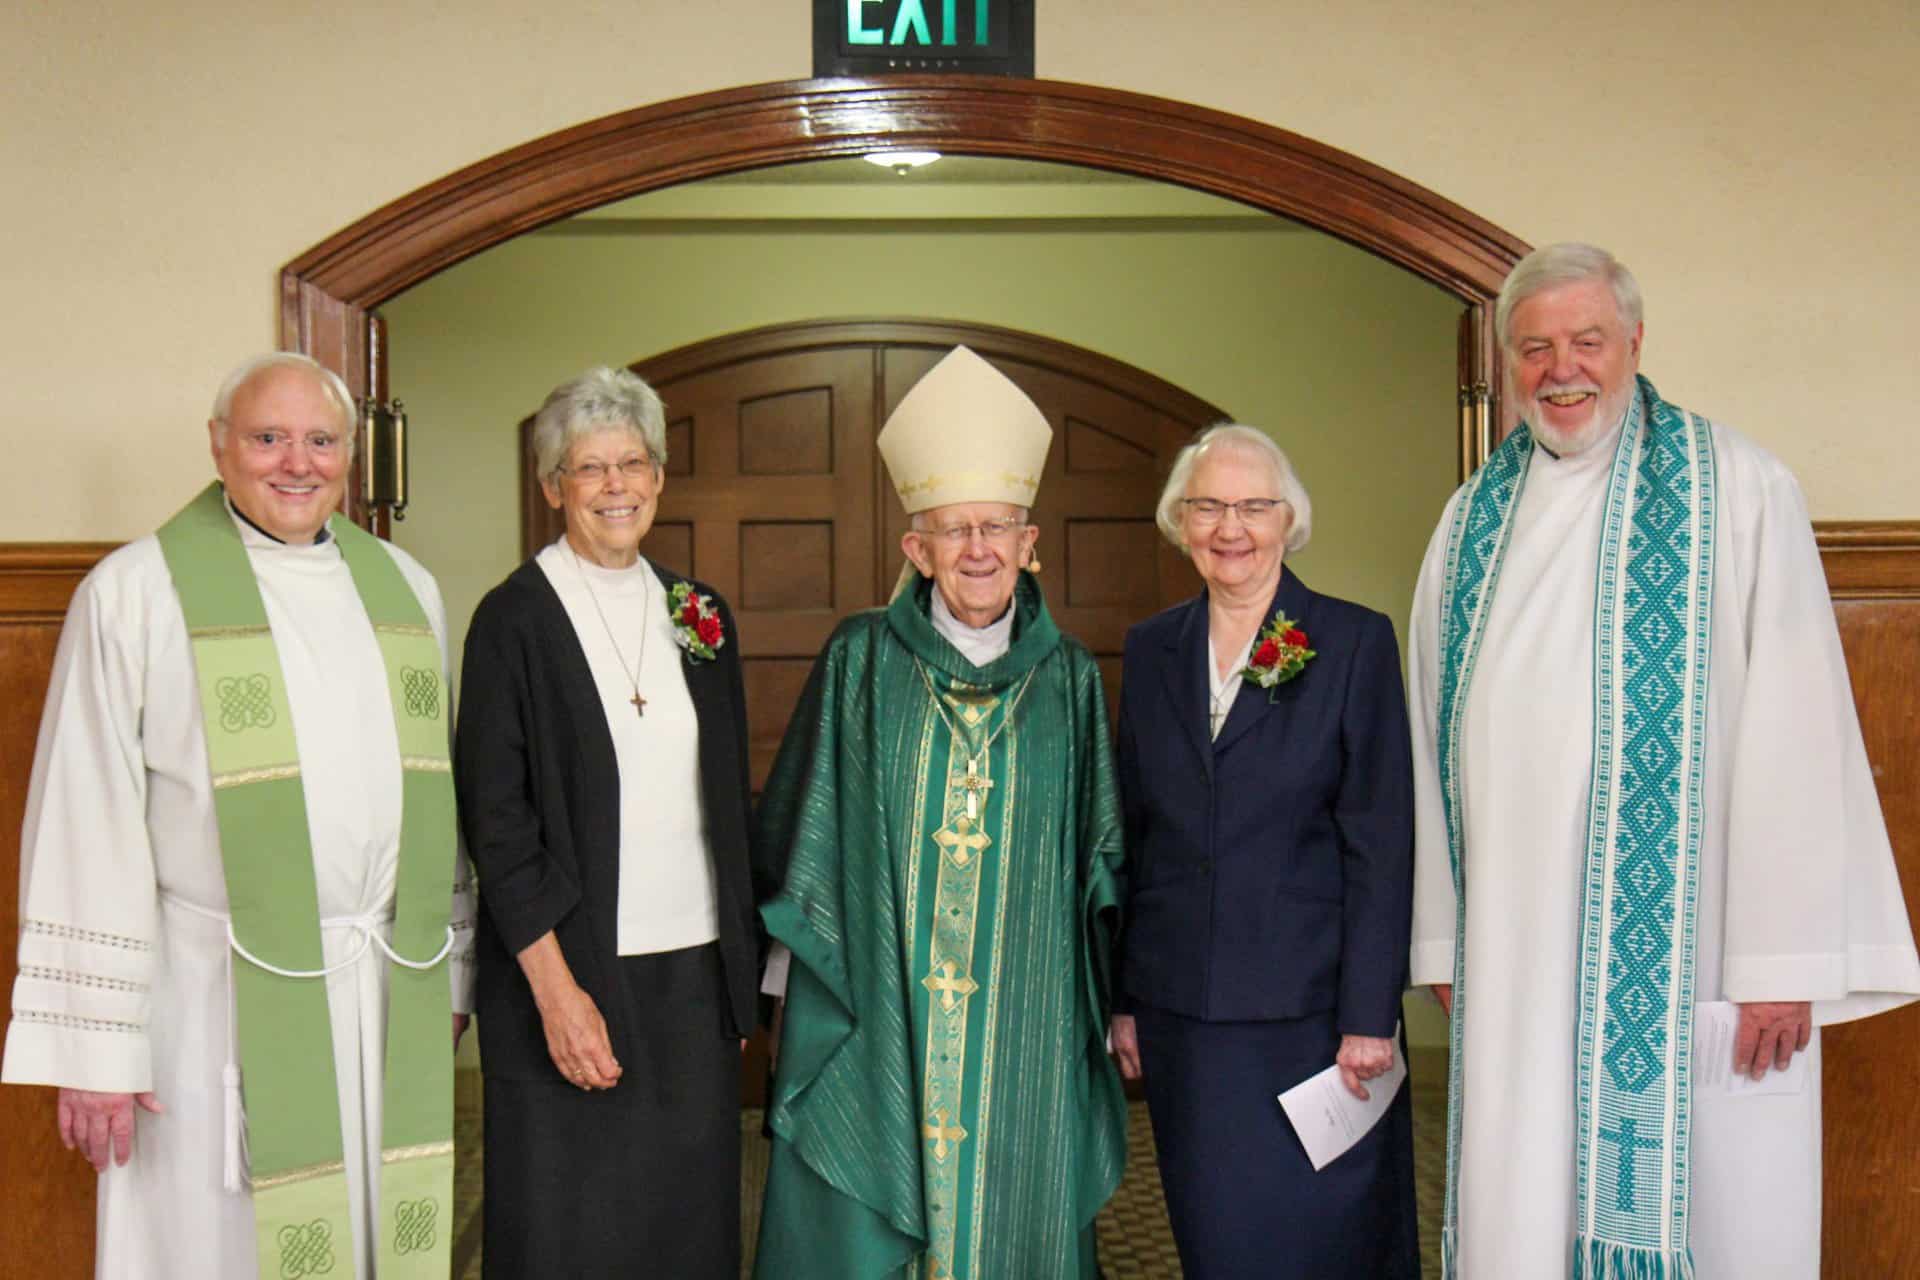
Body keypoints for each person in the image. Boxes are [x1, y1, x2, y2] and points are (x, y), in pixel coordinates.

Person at [1407, 242, 1920, 1277]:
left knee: (1724, 1213)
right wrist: (1445, 940)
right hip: (1516, 957)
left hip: (1700, 958)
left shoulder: (1737, 488)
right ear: (1508, 362)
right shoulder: (1469, 523)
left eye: (1587, 341)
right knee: (1523, 1210)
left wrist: (1780, 961)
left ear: (1636, 342)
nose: (1563, 369)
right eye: (1536, 347)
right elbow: (1428, 744)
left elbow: (1799, 731)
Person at [1, 352, 472, 1277]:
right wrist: (98, 1045)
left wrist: (443, 968)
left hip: (382, 991)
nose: (296, 463)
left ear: (351, 457)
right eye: (268, 438)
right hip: (207, 1002)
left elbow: (436, 795)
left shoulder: (408, 592)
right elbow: (86, 817)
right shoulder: (138, 594)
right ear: (219, 446)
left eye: (320, 441)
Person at [752, 345, 1128, 1279]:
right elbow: (810, 834)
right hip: (887, 1007)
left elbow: (1100, 862)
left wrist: (1109, 1004)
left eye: (997, 528)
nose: (978, 550)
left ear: (1030, 542)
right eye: (954, 531)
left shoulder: (1071, 680)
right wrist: (795, 982)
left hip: (1024, 1023)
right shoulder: (862, 662)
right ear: (915, 550)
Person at [454, 366, 761, 1278]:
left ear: (660, 477)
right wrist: (557, 994)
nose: (615, 486)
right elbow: (496, 825)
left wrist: (738, 981)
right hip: (570, 978)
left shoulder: (697, 614)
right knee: (570, 1236)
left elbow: (729, 807)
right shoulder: (511, 620)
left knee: (685, 1231)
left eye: (633, 463)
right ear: (553, 486)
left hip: (692, 983)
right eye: (590, 468)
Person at [1106, 424, 1418, 1278]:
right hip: (1185, 1019)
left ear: (1289, 522)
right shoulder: (1150, 648)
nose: (1229, 528)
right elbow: (1134, 832)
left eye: (1252, 506)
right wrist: (1126, 997)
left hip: (1312, 1016)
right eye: (1207, 506)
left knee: (1320, 1239)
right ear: (1180, 521)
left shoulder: (1353, 642)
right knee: (1217, 1241)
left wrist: (1367, 1014)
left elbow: (1380, 839)